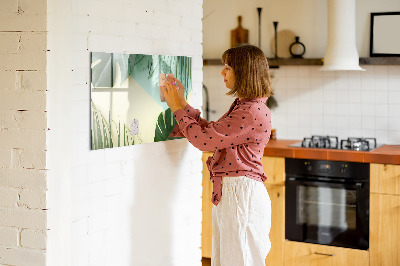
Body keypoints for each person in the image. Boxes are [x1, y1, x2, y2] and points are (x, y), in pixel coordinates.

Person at [161, 44, 273, 266]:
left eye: (228, 67)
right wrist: (182, 103)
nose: (222, 72)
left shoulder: (250, 111)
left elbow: (204, 141)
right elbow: (212, 133)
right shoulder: (246, 106)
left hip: (241, 195)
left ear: (244, 72)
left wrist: (176, 108)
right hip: (236, 193)